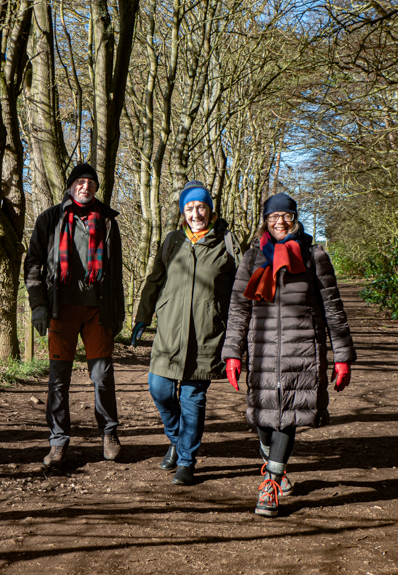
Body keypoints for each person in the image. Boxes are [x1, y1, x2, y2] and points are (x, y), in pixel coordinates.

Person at [221, 192, 356, 517]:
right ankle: (274, 465)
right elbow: (238, 308)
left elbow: (333, 308)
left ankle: (272, 481)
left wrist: (342, 356)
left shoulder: (313, 256)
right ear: (266, 221)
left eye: (286, 216)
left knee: (287, 417)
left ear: (295, 219)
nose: (280, 222)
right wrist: (232, 352)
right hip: (262, 350)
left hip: (303, 352)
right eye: (273, 217)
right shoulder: (252, 257)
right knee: (264, 420)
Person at [131, 181, 240, 485]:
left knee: (193, 398)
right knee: (159, 388)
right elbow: (154, 282)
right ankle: (177, 440)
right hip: (169, 330)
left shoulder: (227, 243)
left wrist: (239, 335)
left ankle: (187, 461)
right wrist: (142, 317)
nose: (195, 213)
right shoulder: (172, 241)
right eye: (189, 208)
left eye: (201, 207)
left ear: (210, 210)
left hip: (208, 333)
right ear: (183, 213)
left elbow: (241, 291)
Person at [24, 162, 125, 467]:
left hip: (98, 310)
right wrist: (38, 305)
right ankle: (57, 442)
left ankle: (109, 433)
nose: (85, 186)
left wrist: (117, 313)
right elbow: (33, 264)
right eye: (80, 182)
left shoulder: (107, 222)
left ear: (96, 188)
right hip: (61, 309)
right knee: (58, 381)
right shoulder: (50, 219)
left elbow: (116, 272)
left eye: (91, 182)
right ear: (70, 186)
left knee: (102, 377)